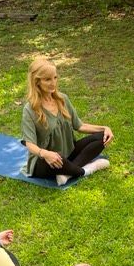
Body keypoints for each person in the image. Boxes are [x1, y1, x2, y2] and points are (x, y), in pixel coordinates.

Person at [21, 57, 113, 186]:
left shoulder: (62, 99)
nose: (53, 83)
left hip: (67, 154)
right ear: (37, 82)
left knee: (100, 138)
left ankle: (67, 172)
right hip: (44, 162)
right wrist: (45, 153)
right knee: (55, 158)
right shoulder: (30, 109)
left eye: (55, 77)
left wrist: (105, 128)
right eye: (47, 79)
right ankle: (85, 170)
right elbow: (30, 144)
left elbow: (79, 126)